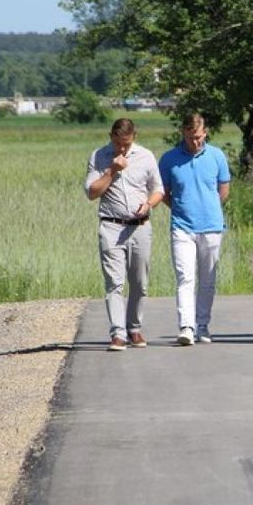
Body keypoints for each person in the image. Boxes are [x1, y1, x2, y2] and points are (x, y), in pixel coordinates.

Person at [84, 118, 164, 351]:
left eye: (126, 145)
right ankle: (117, 333)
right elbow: (92, 193)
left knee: (139, 283)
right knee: (114, 283)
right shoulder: (98, 156)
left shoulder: (146, 156)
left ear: (134, 138)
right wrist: (112, 171)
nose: (121, 149)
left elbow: (158, 189)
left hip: (140, 226)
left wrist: (149, 204)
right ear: (111, 137)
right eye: (118, 143)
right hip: (111, 226)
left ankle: (134, 328)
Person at [158, 113, 231, 346]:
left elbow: (224, 189)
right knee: (185, 278)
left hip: (211, 225)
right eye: (191, 138)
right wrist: (181, 208)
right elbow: (164, 193)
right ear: (183, 134)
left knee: (208, 280)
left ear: (205, 133)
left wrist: (209, 207)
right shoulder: (169, 159)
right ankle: (186, 327)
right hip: (182, 226)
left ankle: (203, 324)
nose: (195, 142)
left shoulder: (217, 156)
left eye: (199, 137)